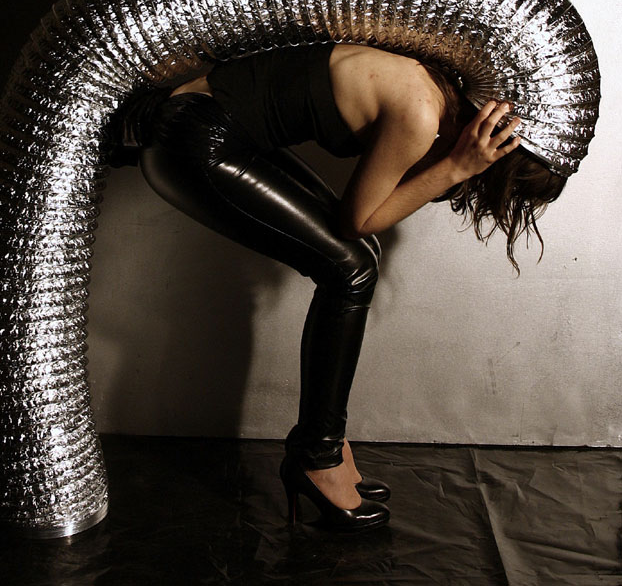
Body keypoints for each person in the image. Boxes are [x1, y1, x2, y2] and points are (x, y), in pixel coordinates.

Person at [106, 42, 566, 532]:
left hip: (213, 125)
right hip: (192, 140)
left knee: (358, 260)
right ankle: (317, 458)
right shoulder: (418, 113)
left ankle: (326, 445)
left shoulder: (432, 89)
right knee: (352, 269)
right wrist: (456, 167)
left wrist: (454, 164)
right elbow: (357, 219)